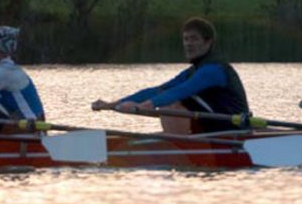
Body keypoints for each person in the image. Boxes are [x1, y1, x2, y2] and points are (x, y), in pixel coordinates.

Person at [92, 17, 250, 135]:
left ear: (208, 42)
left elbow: (180, 91)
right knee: (167, 99)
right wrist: (112, 104)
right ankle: (179, 143)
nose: (188, 44)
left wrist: (146, 106)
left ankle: (180, 149)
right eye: (186, 39)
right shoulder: (191, 72)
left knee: (171, 104)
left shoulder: (214, 70)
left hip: (233, 131)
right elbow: (158, 91)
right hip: (213, 130)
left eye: (194, 39)